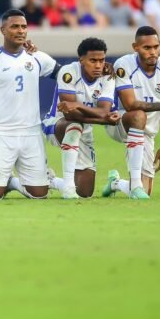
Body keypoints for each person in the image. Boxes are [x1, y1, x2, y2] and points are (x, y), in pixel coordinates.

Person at [0, 9, 58, 200]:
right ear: (2, 30)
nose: (20, 31)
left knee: (39, 195)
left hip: (32, 132)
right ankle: (4, 182)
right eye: (15, 26)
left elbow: (66, 76)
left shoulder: (36, 57)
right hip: (1, 133)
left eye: (24, 27)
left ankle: (12, 182)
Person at [103, 26, 160, 199]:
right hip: (119, 122)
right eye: (147, 48)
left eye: (156, 47)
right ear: (135, 47)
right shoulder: (124, 64)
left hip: (147, 132)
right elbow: (130, 105)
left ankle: (115, 183)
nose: (153, 52)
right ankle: (135, 184)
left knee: (145, 192)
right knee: (138, 115)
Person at [42, 38, 119, 199]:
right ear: (81, 60)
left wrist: (78, 105)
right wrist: (103, 117)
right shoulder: (68, 73)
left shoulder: (108, 76)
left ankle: (52, 181)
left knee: (84, 192)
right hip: (56, 125)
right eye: (93, 60)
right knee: (74, 125)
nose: (98, 65)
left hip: (85, 129)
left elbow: (104, 110)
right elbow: (70, 114)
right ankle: (68, 188)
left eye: (102, 60)